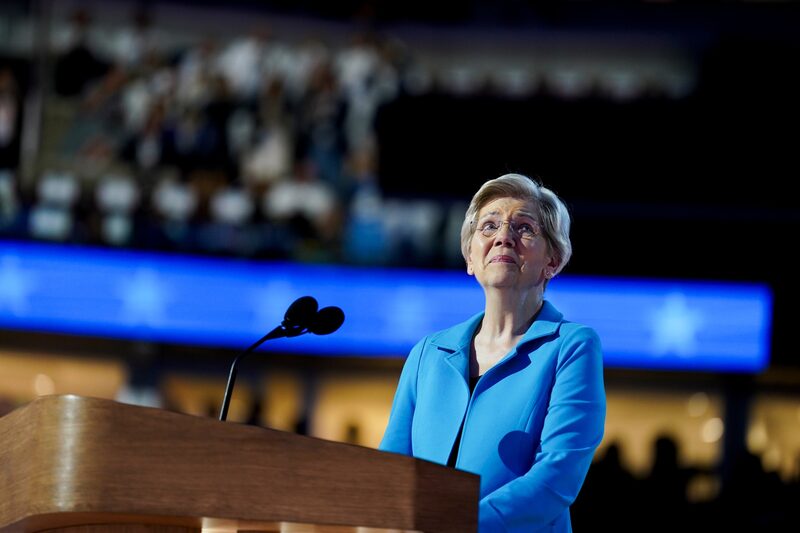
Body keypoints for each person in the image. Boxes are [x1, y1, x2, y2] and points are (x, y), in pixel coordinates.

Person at [380, 173, 606, 532]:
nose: (504, 236)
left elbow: (555, 479)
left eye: (524, 228)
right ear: (470, 257)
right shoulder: (427, 354)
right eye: (489, 226)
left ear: (552, 259)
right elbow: (390, 472)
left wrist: (459, 524)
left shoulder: (572, 348)